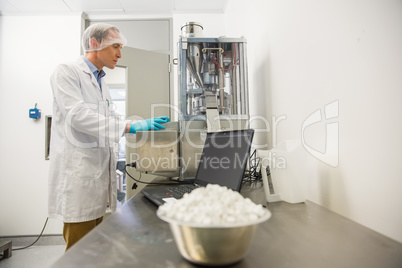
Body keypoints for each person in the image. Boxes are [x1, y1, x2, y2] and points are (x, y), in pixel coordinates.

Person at [48, 23, 170, 251]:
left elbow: (110, 117)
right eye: (115, 46)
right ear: (94, 44)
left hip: (98, 176)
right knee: (79, 251)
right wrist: (128, 127)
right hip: (79, 177)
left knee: (95, 248)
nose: (120, 54)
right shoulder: (66, 71)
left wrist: (137, 125)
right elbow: (77, 115)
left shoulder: (101, 81)